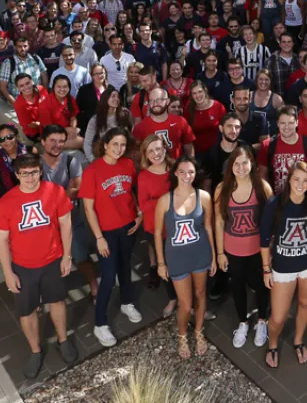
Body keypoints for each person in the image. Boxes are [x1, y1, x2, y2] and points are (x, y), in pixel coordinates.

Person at [0, 152, 77, 378]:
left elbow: (66, 224)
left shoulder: (55, 192)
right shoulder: (6, 202)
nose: (30, 178)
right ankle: (35, 351)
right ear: (17, 175)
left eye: (34, 172)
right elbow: (1, 240)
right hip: (23, 266)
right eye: (24, 174)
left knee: (57, 301)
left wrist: (67, 256)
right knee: (27, 311)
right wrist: (8, 273)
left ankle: (63, 340)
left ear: (40, 171)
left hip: (52, 260)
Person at [79, 128, 143, 347]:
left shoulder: (127, 165)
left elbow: (131, 191)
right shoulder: (92, 171)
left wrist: (139, 213)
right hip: (106, 231)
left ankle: (126, 302)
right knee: (108, 275)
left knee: (125, 265)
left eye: (123, 145)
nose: (119, 149)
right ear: (104, 144)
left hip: (128, 225)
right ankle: (99, 324)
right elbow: (88, 208)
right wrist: (99, 238)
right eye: (114, 144)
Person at [260, 161, 307, 368]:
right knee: (278, 317)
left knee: (305, 304)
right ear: (289, 180)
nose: (300, 184)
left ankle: (298, 340)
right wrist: (266, 268)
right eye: (296, 179)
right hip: (282, 268)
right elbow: (263, 239)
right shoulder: (275, 204)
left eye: (305, 180)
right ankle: (272, 344)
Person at [155, 155, 217, 359]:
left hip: (200, 255)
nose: (186, 176)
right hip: (177, 258)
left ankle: (198, 331)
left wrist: (215, 256)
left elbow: (208, 227)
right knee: (186, 304)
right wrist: (161, 263)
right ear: (175, 173)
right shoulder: (165, 200)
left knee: (200, 294)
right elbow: (157, 233)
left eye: (190, 172)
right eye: (182, 172)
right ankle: (182, 335)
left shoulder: (204, 197)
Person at [214, 146, 273, 349]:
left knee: (261, 286)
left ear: (251, 164)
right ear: (230, 166)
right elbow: (219, 221)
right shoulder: (222, 189)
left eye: (245, 163)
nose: (240, 167)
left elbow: (270, 222)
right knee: (237, 287)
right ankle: (243, 322)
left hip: (257, 250)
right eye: (236, 163)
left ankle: (263, 321)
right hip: (233, 250)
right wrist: (220, 252)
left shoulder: (262, 187)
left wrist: (270, 250)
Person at [40, 125, 98, 302]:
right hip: (44, 224)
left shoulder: (70, 161)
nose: (57, 145)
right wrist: (65, 192)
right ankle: (47, 295)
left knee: (81, 255)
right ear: (43, 142)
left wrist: (54, 196)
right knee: (46, 262)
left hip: (71, 218)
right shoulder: (35, 164)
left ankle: (95, 287)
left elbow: (78, 190)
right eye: (52, 141)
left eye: (61, 141)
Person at [138, 135, 178, 312]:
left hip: (179, 226)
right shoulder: (143, 176)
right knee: (165, 266)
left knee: (182, 264)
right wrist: (166, 200)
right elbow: (144, 205)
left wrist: (158, 199)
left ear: (164, 149)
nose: (156, 153)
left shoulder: (176, 168)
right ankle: (172, 298)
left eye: (158, 148)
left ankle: (188, 300)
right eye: (151, 151)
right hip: (155, 227)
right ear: (145, 155)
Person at [258, 105, 307, 194]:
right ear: (277, 123)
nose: (286, 127)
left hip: (304, 200)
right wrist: (270, 198)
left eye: (290, 123)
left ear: (297, 122)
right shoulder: (267, 145)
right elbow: (262, 176)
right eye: (283, 123)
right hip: (277, 200)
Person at [133, 88, 195, 160]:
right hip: (152, 169)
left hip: (176, 168)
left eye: (159, 100)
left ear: (167, 101)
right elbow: (136, 155)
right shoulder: (140, 127)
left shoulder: (180, 121)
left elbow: (189, 149)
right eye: (152, 100)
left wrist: (189, 165)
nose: (155, 104)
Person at [0, 123, 36, 205]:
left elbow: (38, 176)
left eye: (10, 137)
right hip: (8, 202)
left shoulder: (31, 151)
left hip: (31, 198)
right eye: (2, 139)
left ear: (17, 136)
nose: (6, 141)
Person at [84, 88, 133, 163]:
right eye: (113, 96)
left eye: (118, 97)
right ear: (105, 98)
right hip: (105, 153)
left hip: (124, 152)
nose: (116, 99)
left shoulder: (125, 114)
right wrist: (93, 159)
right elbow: (87, 142)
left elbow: (132, 133)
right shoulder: (95, 120)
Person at [185, 81, 227, 163]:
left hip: (217, 152)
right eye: (194, 93)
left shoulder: (218, 107)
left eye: (200, 92)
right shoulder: (188, 110)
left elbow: (225, 128)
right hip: (198, 154)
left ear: (205, 91)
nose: (198, 95)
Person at [0, 38, 48, 104]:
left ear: (28, 46)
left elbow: (44, 75)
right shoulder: (8, 63)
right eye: (19, 46)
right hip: (20, 102)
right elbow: (2, 86)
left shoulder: (35, 58)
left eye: (25, 46)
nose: (23, 49)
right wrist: (16, 104)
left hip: (38, 100)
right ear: (15, 47)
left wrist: (44, 95)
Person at [76, 64, 116, 137]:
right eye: (96, 74)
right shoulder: (84, 90)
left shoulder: (111, 89)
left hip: (108, 125)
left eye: (101, 73)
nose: (99, 75)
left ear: (105, 73)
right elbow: (78, 109)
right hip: (89, 125)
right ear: (92, 75)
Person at [13, 73, 49, 142]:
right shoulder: (19, 105)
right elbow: (32, 125)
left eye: (27, 83)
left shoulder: (41, 89)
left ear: (32, 82)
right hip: (35, 132)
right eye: (21, 86)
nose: (26, 87)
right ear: (18, 88)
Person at [251, 69, 284, 137]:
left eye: (266, 79)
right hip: (252, 137)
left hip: (271, 138)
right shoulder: (249, 96)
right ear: (256, 80)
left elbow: (284, 119)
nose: (263, 82)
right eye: (261, 79)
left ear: (270, 81)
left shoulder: (277, 99)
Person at [267, 32, 300, 99]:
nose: (286, 44)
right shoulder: (271, 60)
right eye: (284, 42)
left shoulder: (299, 60)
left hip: (296, 101)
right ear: (280, 44)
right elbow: (266, 82)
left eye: (289, 42)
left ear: (293, 44)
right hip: (277, 101)